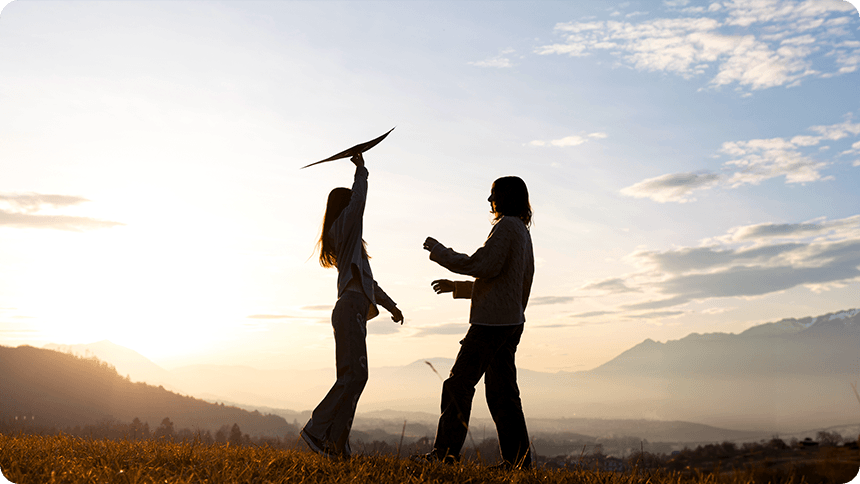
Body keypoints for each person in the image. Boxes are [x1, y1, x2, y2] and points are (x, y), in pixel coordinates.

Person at [416, 176, 535, 469]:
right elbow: (504, 284)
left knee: (459, 384)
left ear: (507, 196)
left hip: (491, 325)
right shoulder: (521, 231)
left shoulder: (506, 227)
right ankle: (518, 463)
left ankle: (444, 455)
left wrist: (439, 252)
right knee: (503, 395)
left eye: (494, 193)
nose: (489, 200)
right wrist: (458, 288)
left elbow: (482, 265)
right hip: (511, 322)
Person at [300, 152, 404, 459]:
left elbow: (369, 283)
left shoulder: (350, 245)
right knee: (353, 377)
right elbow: (358, 203)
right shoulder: (342, 229)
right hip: (349, 310)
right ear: (343, 208)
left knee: (355, 377)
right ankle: (318, 429)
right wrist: (361, 171)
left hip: (353, 310)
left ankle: (337, 444)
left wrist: (391, 305)